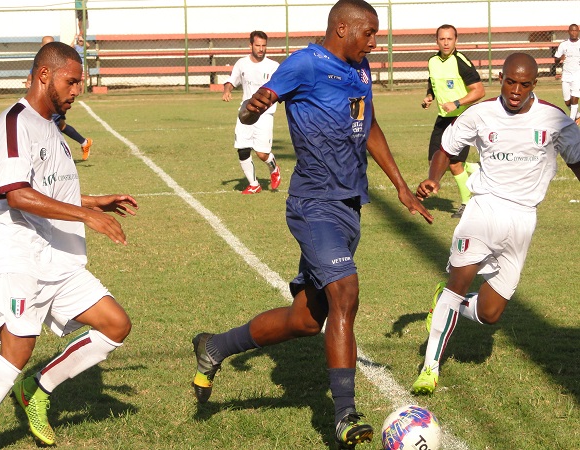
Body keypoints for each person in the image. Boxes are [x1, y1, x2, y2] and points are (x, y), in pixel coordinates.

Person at [192, 1, 433, 448]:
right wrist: (250, 107)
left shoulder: (360, 70)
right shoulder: (304, 63)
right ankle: (345, 415)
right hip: (312, 204)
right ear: (343, 28)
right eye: (370, 33)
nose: (374, 42)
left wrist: (399, 184)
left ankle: (215, 347)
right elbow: (251, 112)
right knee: (346, 290)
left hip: (348, 209)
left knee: (305, 319)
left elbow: (369, 124)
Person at [0, 41, 138, 445]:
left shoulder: (48, 124)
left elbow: (45, 188)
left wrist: (94, 201)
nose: (76, 91)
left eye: (80, 83)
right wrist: (88, 216)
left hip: (53, 255)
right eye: (72, 82)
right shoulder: (15, 125)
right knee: (16, 351)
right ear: (44, 76)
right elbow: (15, 193)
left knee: (115, 324)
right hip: (14, 254)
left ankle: (37, 389)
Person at [411, 52, 580, 396]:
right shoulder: (480, 113)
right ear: (500, 77)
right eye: (510, 81)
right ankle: (429, 368)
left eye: (524, 84)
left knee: (490, 313)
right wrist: (433, 178)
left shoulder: (554, 119)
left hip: (523, 219)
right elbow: (447, 148)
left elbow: (578, 159)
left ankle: (446, 303)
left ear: (535, 84)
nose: (515, 90)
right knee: (458, 282)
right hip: (484, 209)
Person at [421, 24, 485, 218]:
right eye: (442, 39)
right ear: (437, 41)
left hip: (462, 118)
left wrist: (457, 103)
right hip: (443, 118)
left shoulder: (461, 61)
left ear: (456, 40)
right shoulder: (432, 61)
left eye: (449, 39)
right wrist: (429, 96)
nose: (446, 42)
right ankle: (473, 168)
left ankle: (467, 203)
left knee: (454, 164)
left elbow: (479, 91)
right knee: (435, 161)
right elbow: (434, 83)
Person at [222, 30, 281, 194]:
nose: (261, 49)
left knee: (262, 154)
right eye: (258, 45)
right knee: (242, 149)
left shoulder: (274, 66)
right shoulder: (242, 64)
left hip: (264, 113)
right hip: (246, 112)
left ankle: (274, 169)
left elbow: (283, 85)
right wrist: (227, 91)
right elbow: (231, 81)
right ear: (250, 45)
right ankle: (254, 184)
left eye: (264, 46)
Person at [26, 36, 93, 161]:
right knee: (60, 126)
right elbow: (31, 75)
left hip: (55, 101)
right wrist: (29, 82)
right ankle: (84, 142)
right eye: (46, 45)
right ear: (41, 47)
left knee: (50, 126)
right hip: (46, 101)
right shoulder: (40, 62)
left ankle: (57, 157)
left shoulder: (59, 62)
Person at [554, 24, 580, 123]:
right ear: (568, 32)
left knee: (575, 98)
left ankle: (571, 121)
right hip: (566, 75)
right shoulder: (563, 44)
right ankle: (577, 115)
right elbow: (555, 59)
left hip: (577, 74)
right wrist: (560, 58)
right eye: (572, 31)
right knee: (567, 101)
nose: (574, 33)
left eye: (576, 31)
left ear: (578, 32)